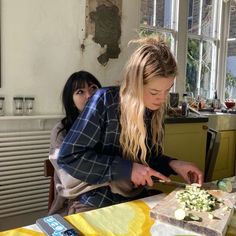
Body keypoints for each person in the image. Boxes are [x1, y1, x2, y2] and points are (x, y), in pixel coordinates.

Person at [57, 37, 203, 213]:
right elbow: (69, 157)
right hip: (97, 199)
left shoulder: (153, 110)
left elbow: (149, 160)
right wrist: (127, 169)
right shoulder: (105, 101)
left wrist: (174, 164)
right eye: (155, 92)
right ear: (135, 85)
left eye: (167, 90)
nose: (162, 99)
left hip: (135, 196)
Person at [48, 70, 102, 215]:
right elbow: (70, 177)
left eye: (93, 88)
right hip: (75, 201)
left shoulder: (110, 126)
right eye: (80, 91)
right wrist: (117, 172)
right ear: (70, 100)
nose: (89, 95)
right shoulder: (61, 131)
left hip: (111, 197)